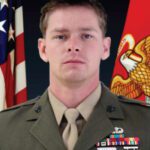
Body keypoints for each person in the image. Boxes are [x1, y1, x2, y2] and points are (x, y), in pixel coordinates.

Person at [0, 0, 149, 149]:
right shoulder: (5, 128)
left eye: (86, 36)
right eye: (61, 36)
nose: (73, 46)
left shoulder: (145, 122)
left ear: (105, 48)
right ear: (43, 49)